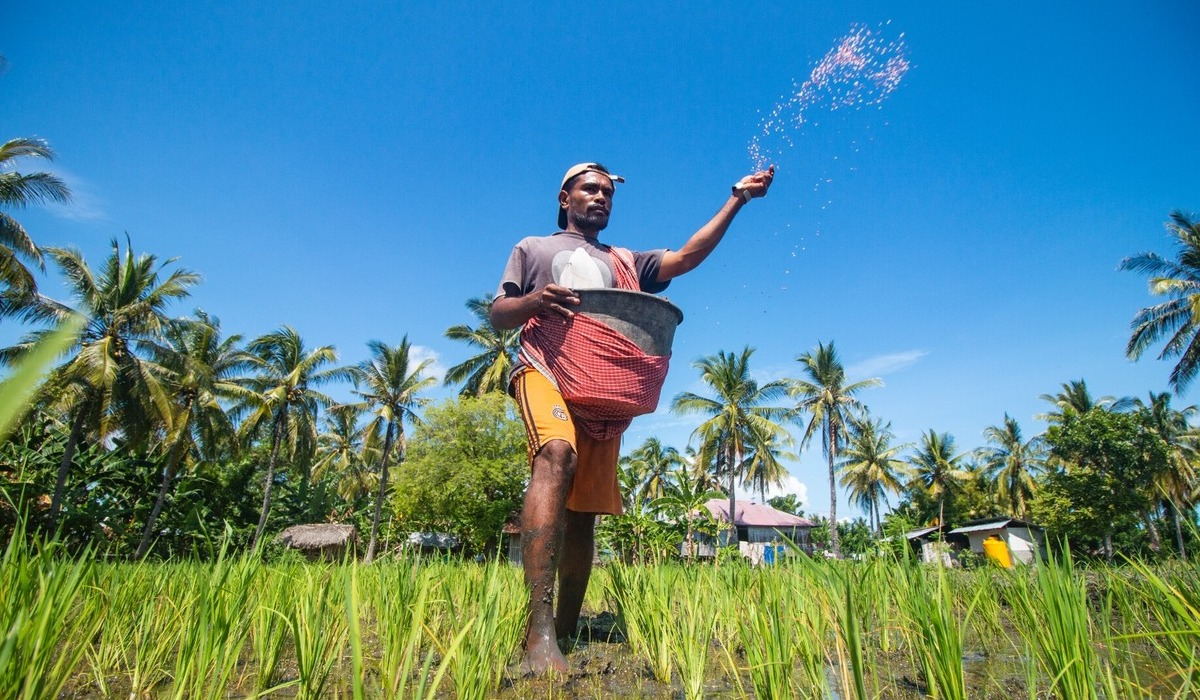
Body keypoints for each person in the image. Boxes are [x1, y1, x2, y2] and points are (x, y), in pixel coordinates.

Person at [490, 161, 774, 675]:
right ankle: (537, 634)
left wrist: (737, 199)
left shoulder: (627, 260)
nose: (600, 197)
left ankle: (568, 628)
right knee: (555, 455)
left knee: (582, 510)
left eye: (607, 192)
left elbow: (686, 258)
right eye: (589, 189)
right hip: (545, 369)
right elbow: (498, 313)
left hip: (600, 392)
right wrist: (535, 300)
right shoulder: (533, 249)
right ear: (564, 196)